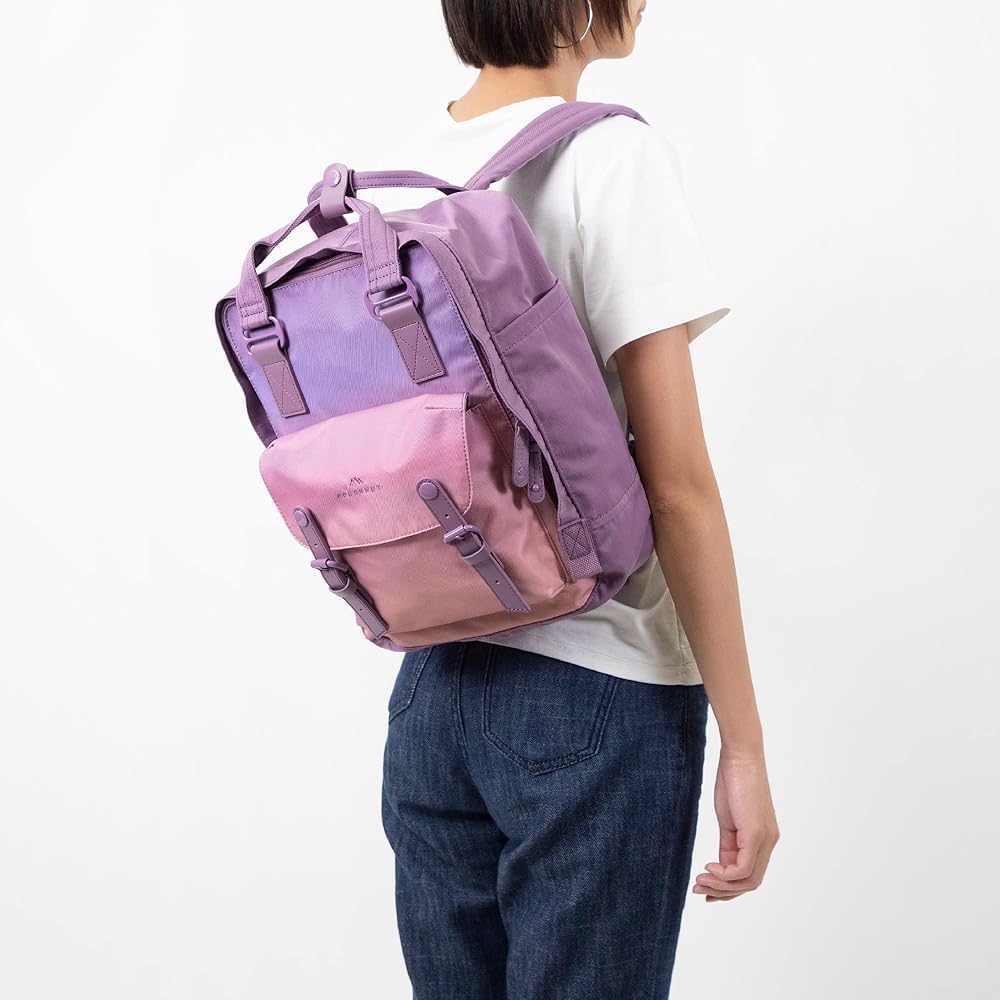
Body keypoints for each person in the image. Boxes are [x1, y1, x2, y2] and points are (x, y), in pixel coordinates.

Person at [381, 2, 780, 996]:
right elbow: (676, 486)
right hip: (594, 688)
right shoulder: (612, 159)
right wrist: (744, 745)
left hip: (433, 692)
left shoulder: (402, 170)